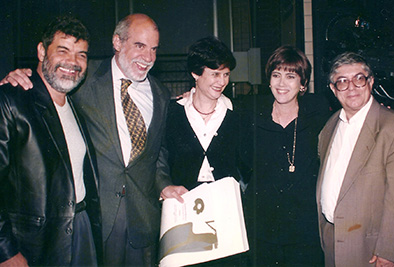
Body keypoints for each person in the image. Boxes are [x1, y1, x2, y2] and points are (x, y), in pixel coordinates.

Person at [0, 13, 186, 266]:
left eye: (154, 49)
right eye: (140, 46)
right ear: (117, 42)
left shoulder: (161, 93)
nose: (149, 57)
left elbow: (158, 152)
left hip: (140, 222)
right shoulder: (82, 81)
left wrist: (163, 184)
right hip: (94, 222)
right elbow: (46, 85)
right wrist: (19, 76)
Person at [0, 16, 102, 266]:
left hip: (80, 229)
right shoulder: (11, 100)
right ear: (42, 51)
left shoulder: (76, 104)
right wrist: (5, 251)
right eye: (63, 50)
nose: (73, 62)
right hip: (33, 243)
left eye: (82, 54)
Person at [165, 35, 251, 266]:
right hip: (183, 212)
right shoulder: (172, 113)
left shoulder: (237, 115)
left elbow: (248, 166)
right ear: (195, 73)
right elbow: (160, 160)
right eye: (215, 74)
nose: (221, 81)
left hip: (226, 213)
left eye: (226, 74)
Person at [243, 46, 331, 266]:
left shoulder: (317, 113)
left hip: (305, 231)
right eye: (276, 75)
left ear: (303, 84)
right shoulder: (251, 111)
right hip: (261, 230)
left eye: (290, 76)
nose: (281, 84)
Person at [317, 52, 394, 267]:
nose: (351, 87)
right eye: (342, 82)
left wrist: (389, 251)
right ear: (334, 90)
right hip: (332, 241)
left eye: (359, 78)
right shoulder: (330, 125)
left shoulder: (392, 127)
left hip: (371, 250)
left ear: (370, 82)